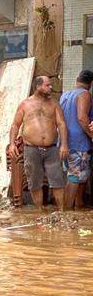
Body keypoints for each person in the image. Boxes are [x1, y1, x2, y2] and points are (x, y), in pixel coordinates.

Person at [10, 75, 69, 211]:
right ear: (38, 86)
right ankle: (40, 211)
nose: (51, 87)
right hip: (31, 149)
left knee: (58, 181)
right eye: (47, 85)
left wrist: (64, 144)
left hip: (52, 148)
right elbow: (15, 125)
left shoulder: (54, 104)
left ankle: (61, 211)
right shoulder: (25, 104)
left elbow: (61, 124)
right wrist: (12, 144)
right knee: (34, 182)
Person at [60, 70, 93, 208]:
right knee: (75, 177)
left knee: (78, 176)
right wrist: (92, 136)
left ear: (77, 79)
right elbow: (82, 118)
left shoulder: (66, 95)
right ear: (90, 83)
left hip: (67, 141)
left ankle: (78, 205)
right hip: (79, 142)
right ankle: (66, 210)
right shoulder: (84, 94)